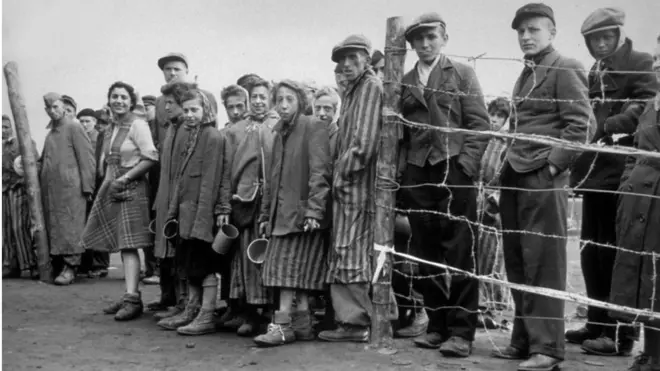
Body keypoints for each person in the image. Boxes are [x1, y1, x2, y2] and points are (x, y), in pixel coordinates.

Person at [492, 4, 593, 370]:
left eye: (533, 30)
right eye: (521, 31)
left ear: (551, 32)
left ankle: (547, 348)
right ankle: (523, 340)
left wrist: (553, 166)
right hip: (515, 175)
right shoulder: (527, 72)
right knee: (517, 259)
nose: (525, 36)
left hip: (542, 177)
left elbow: (581, 125)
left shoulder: (565, 66)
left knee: (544, 261)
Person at [567, 7, 658, 356]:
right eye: (595, 40)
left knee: (615, 253)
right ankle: (595, 322)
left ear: (619, 35)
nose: (602, 45)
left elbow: (646, 107)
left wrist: (606, 125)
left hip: (621, 173)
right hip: (594, 171)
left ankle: (620, 335)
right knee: (591, 252)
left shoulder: (640, 61)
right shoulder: (596, 69)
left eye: (607, 37)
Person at [398, 12, 489, 358]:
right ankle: (437, 326)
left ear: (444, 38)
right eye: (418, 39)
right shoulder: (403, 81)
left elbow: (479, 125)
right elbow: (401, 135)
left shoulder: (462, 73)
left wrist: (465, 166)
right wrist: (407, 175)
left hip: (454, 172)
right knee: (425, 251)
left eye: (431, 37)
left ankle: (462, 332)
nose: (425, 44)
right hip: (418, 176)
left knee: (461, 251)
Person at [253, 80, 332, 346]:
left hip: (301, 215)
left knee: (286, 272)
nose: (284, 105)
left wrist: (314, 211)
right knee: (292, 272)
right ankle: (303, 323)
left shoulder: (313, 127)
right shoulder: (278, 132)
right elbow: (271, 179)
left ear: (300, 101)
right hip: (281, 215)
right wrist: (266, 215)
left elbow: (320, 172)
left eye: (290, 99)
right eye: (280, 100)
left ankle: (283, 326)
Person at [318, 34, 381, 343]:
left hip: (357, 186)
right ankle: (361, 319)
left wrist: (341, 176)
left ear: (366, 59)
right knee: (348, 250)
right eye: (341, 59)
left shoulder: (370, 88)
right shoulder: (353, 91)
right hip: (350, 186)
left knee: (352, 251)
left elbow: (365, 144)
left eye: (352, 57)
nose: (345, 64)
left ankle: (356, 324)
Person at [81, 81, 158, 321]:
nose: (119, 101)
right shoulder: (112, 127)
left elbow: (151, 157)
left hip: (131, 187)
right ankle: (129, 294)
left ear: (131, 101)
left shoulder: (137, 124)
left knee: (130, 244)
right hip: (114, 188)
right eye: (114, 96)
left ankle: (133, 299)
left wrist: (124, 179)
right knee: (124, 245)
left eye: (124, 97)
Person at [155, 88, 230, 335]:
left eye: (194, 110)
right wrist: (174, 212)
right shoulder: (191, 135)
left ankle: (207, 313)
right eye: (186, 110)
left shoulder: (212, 136)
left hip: (202, 213)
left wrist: (203, 219)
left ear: (206, 110)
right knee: (189, 264)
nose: (189, 115)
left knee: (204, 265)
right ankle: (192, 308)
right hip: (187, 212)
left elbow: (210, 179)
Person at [609, 32, 660, 371]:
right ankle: (650, 350)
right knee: (640, 278)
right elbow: (634, 151)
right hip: (637, 200)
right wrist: (626, 184)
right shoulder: (651, 105)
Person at [223, 77, 277, 336]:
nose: (257, 101)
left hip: (273, 202)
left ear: (270, 99)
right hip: (245, 202)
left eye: (262, 97)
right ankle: (247, 311)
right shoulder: (236, 130)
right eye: (253, 97)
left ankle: (269, 312)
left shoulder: (278, 125)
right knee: (244, 256)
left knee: (269, 254)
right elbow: (227, 169)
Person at [151, 80, 197, 320]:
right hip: (167, 197)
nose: (166, 107)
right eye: (165, 103)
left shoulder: (188, 130)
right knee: (170, 252)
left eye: (171, 102)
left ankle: (187, 303)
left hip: (181, 200)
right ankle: (178, 301)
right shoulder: (171, 129)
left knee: (182, 252)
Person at [40, 92, 96, 285]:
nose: (52, 111)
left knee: (71, 227)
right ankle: (57, 265)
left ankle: (71, 267)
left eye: (55, 106)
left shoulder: (74, 127)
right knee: (56, 226)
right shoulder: (49, 134)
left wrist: (88, 187)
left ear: (63, 106)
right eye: (48, 108)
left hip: (72, 188)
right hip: (51, 190)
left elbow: (87, 158)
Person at [476, 97, 512, 328]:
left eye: (500, 115)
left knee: (494, 258)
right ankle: (481, 306)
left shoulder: (508, 143)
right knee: (479, 256)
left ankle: (494, 309)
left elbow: (505, 178)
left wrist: (494, 202)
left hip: (495, 205)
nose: (494, 119)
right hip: (478, 201)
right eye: (492, 114)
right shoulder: (485, 140)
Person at [2, 114, 38, 279]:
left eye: (6, 127)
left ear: (12, 128)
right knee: (5, 229)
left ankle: (30, 264)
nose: (3, 131)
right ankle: (10, 264)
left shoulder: (24, 142)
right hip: (2, 189)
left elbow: (35, 163)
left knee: (19, 226)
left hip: (19, 188)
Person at [78, 109, 110, 278]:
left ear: (94, 122)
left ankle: (100, 264)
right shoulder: (78, 138)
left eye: (87, 121)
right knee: (85, 224)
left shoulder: (101, 138)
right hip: (84, 185)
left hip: (100, 183)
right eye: (81, 121)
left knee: (99, 223)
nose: (84, 125)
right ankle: (86, 263)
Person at [141, 94, 159, 285]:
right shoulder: (142, 127)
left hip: (157, 182)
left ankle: (156, 269)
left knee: (155, 226)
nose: (146, 111)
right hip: (145, 183)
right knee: (147, 226)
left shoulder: (159, 128)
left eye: (148, 107)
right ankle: (149, 267)